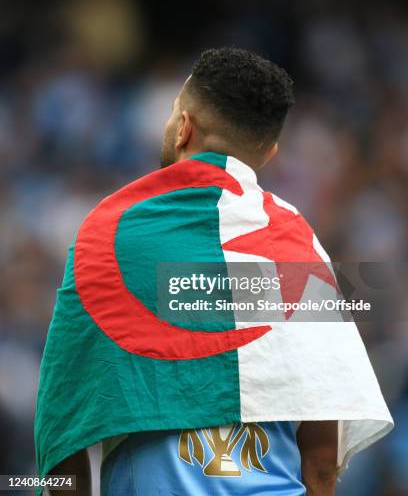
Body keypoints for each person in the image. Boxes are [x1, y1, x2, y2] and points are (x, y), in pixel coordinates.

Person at [36, 48, 392, 496]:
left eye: (172, 115)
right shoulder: (296, 240)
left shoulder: (110, 233)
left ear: (184, 127)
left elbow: (63, 424)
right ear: (270, 151)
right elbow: (322, 452)